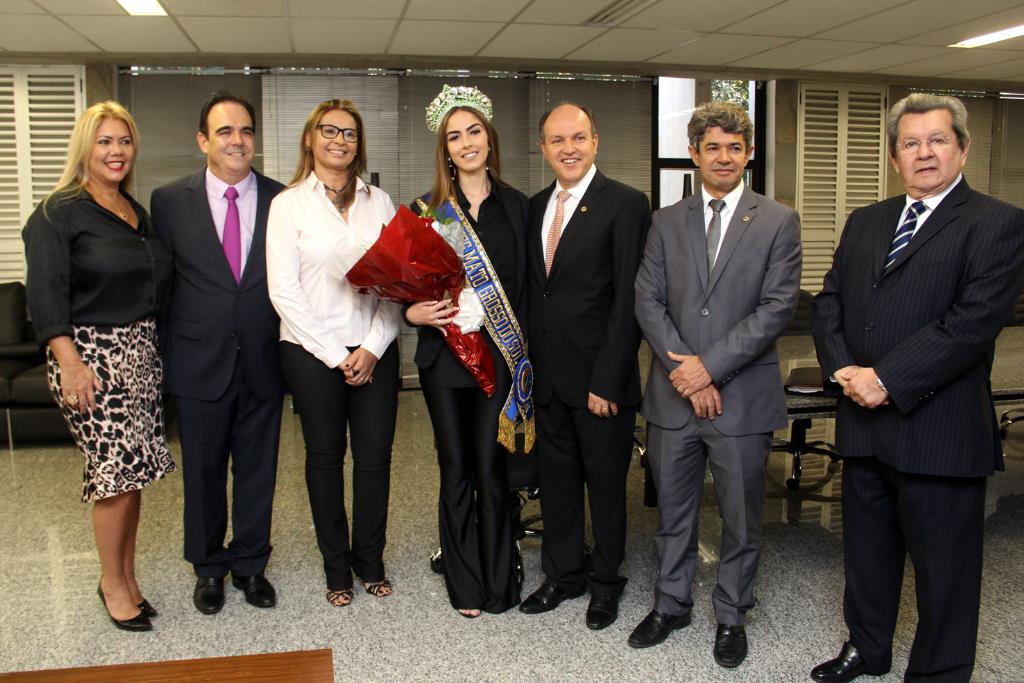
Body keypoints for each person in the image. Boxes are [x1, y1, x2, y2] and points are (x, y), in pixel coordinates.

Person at [811, 93, 1024, 683]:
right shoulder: (866, 221)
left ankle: (940, 672)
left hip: (939, 431)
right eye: (911, 143)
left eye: (937, 140)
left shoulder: (997, 223)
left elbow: (971, 324)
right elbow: (829, 302)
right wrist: (844, 371)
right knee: (867, 557)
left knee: (945, 570)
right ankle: (868, 648)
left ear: (962, 146)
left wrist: (887, 379)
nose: (924, 152)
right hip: (863, 424)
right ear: (893, 155)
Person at [631, 101, 802, 666]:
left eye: (735, 147)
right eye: (713, 146)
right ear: (695, 153)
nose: (723, 156)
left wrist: (709, 368)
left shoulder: (778, 220)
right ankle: (671, 603)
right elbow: (648, 301)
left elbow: (777, 309)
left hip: (741, 401)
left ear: (748, 154)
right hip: (673, 401)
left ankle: (732, 613)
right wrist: (687, 371)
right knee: (673, 514)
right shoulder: (664, 221)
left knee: (741, 518)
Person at [23, 101, 174, 632]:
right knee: (112, 476)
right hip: (91, 357)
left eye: (124, 141)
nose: (116, 151)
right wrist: (70, 363)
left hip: (140, 354)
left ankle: (127, 576)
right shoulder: (57, 213)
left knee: (133, 474)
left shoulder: (132, 209)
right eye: (105, 141)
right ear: (85, 146)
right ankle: (112, 585)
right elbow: (44, 297)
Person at [151, 92, 284, 615]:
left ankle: (251, 565)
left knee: (257, 471)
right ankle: (208, 569)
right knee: (203, 473)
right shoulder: (168, 201)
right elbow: (161, 285)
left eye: (246, 131)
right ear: (203, 140)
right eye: (225, 131)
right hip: (197, 360)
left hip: (262, 358)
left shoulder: (281, 199)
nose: (238, 140)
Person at [519, 103, 650, 631]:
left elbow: (629, 301)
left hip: (601, 384)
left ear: (596, 141)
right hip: (547, 380)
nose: (567, 148)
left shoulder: (625, 204)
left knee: (605, 489)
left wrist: (608, 379)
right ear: (543, 148)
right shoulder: (534, 208)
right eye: (556, 140)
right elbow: (535, 293)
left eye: (577, 137)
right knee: (557, 484)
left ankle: (605, 584)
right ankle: (563, 574)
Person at [267, 99, 401, 608]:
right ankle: (336, 566)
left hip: (375, 347)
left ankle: (371, 560)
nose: (339, 140)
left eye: (349, 133)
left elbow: (395, 286)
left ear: (358, 144)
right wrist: (333, 353)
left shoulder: (380, 203)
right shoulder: (288, 205)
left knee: (374, 459)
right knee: (325, 459)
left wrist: (370, 347)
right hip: (309, 350)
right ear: (310, 139)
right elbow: (283, 291)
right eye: (329, 131)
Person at [405, 84, 531, 618]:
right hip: (444, 363)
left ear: (488, 137)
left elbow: (528, 290)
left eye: (473, 131)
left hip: (499, 362)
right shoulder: (426, 212)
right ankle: (464, 581)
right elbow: (404, 289)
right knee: (455, 468)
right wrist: (411, 313)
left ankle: (500, 577)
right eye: (454, 136)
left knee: (491, 468)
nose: (466, 143)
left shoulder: (521, 208)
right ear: (446, 149)